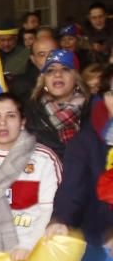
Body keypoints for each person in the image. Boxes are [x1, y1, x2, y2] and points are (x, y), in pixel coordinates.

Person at [0, 93, 61, 261]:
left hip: (34, 250)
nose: (2, 123)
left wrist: (27, 246)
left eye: (10, 116)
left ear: (22, 123)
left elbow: (50, 212)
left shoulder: (45, 159)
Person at [47, 68, 113, 246]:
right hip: (100, 239)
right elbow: (72, 188)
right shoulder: (85, 142)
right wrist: (61, 220)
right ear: (104, 98)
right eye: (111, 93)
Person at [23, 50, 89, 159]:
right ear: (44, 80)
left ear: (76, 77)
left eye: (65, 69)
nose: (57, 74)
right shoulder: (29, 111)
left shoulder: (93, 109)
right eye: (50, 70)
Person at [10, 36, 59, 101]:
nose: (48, 58)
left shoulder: (70, 78)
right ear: (33, 59)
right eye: (42, 55)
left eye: (53, 53)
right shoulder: (22, 85)